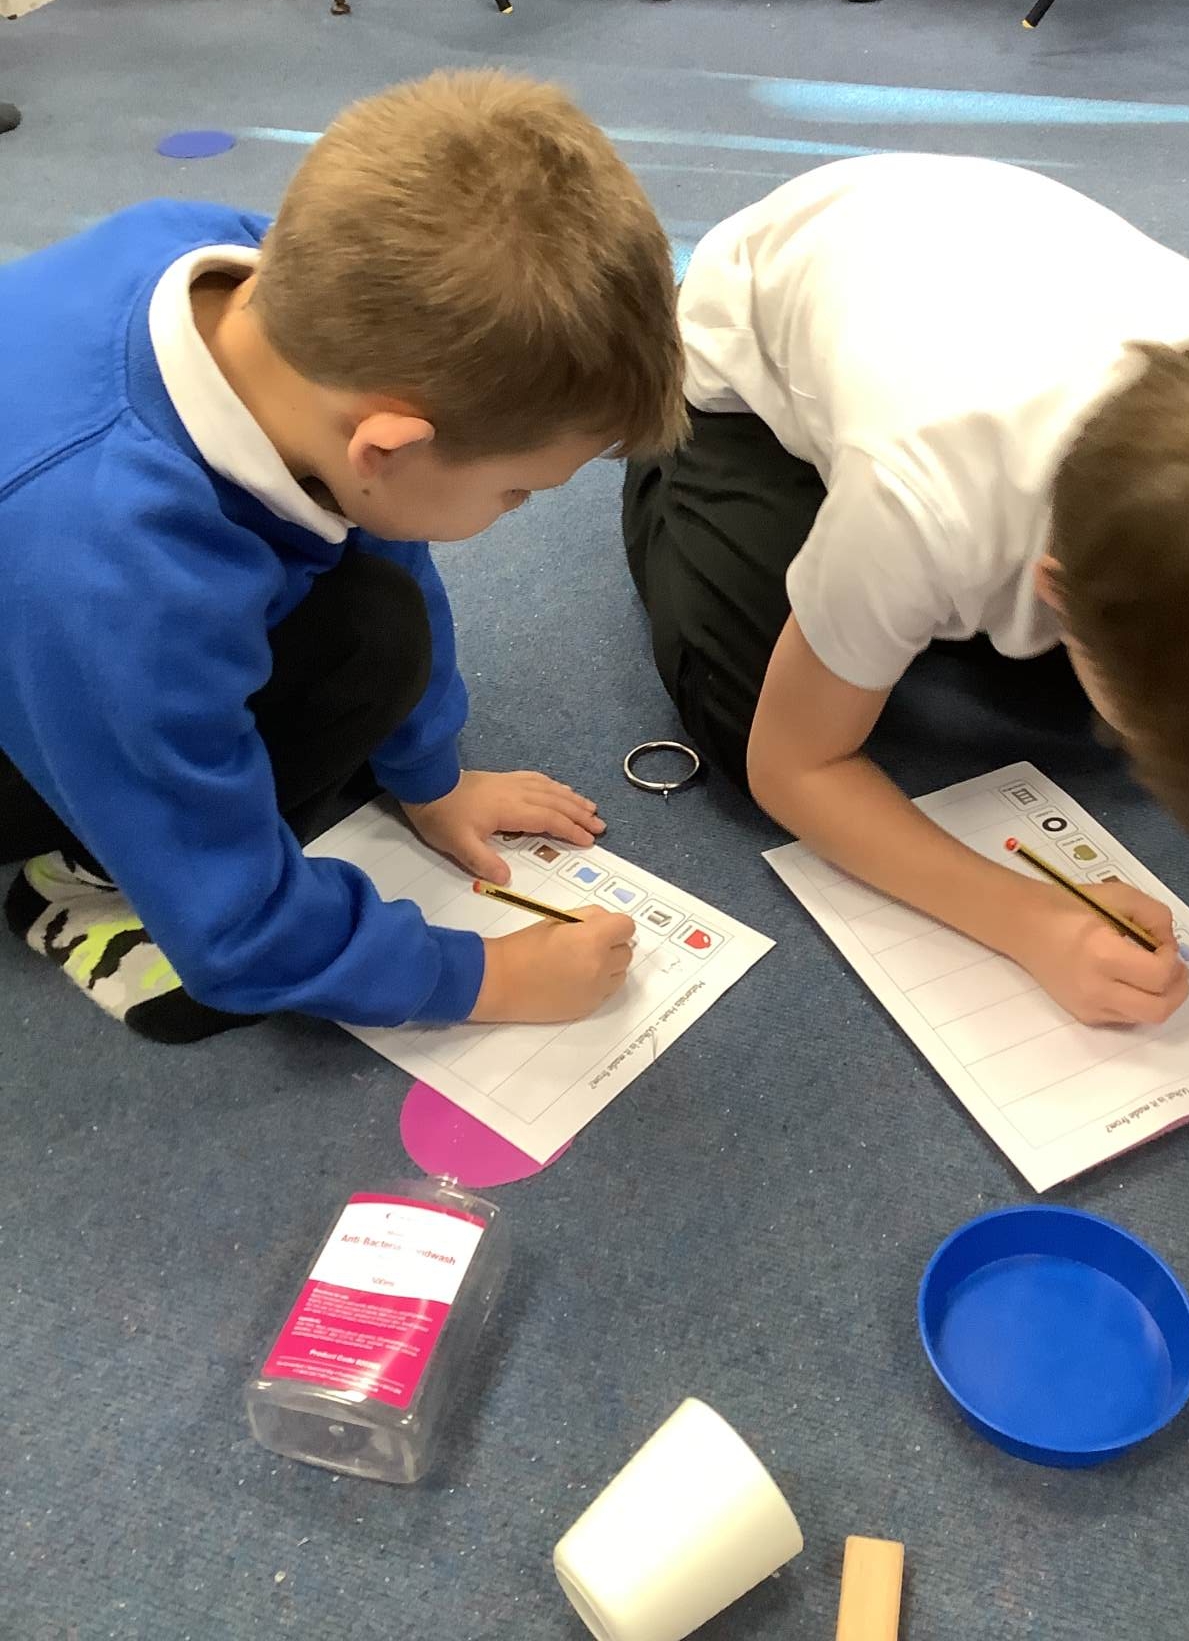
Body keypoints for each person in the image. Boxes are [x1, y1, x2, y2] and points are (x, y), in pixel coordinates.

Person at [623, 155, 1189, 1073]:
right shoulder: (919, 499)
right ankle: (656, 445)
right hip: (750, 345)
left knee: (1134, 700)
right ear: (1059, 591)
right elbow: (794, 763)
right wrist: (1030, 921)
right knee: (742, 713)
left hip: (965, 267)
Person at [0, 71, 687, 1044]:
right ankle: (83, 877)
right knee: (209, 852)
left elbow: (385, 524)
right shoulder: (117, 584)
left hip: (62, 574)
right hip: (52, 632)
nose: (517, 511)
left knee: (375, 633)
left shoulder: (257, 276)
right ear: (388, 448)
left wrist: (431, 779)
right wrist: (483, 975)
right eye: (518, 491)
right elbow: (237, 932)